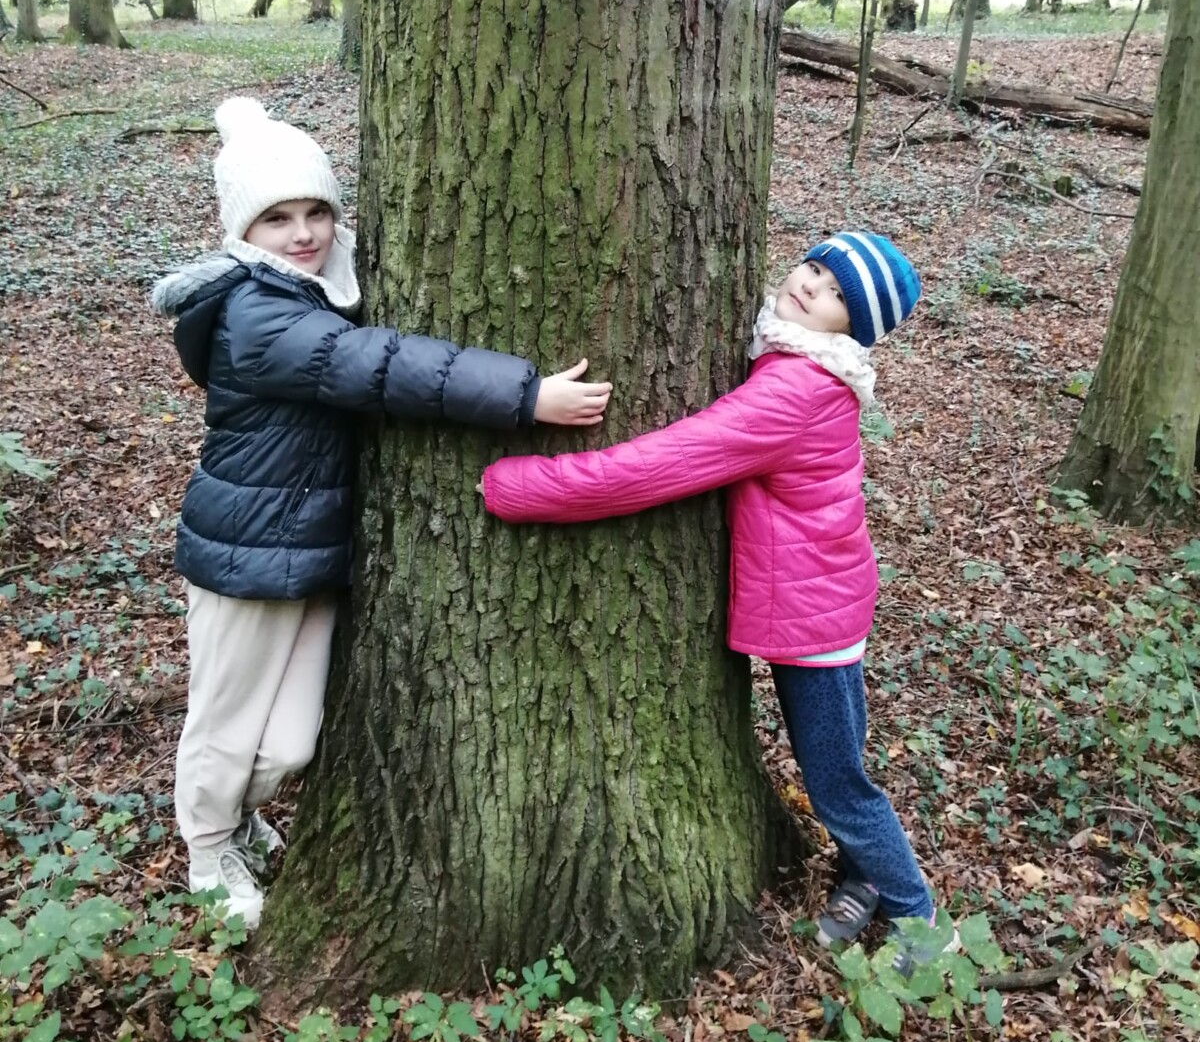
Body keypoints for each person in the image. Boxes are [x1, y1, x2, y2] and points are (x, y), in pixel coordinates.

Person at [152, 97, 612, 929]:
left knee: (291, 742)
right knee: (226, 720)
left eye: (317, 210)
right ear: (241, 231)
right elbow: (380, 364)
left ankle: (238, 819)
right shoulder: (260, 316)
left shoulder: (322, 283)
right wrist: (525, 395)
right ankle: (209, 850)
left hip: (310, 547)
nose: (304, 233)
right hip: (243, 551)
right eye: (277, 219)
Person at [480, 232, 953, 969]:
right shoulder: (793, 357)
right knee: (840, 767)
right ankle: (864, 874)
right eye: (816, 267)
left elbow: (661, 462)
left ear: (853, 328)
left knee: (836, 784)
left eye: (837, 293)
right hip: (825, 595)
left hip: (816, 617)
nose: (811, 285)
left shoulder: (795, 389)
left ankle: (921, 924)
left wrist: (519, 485)